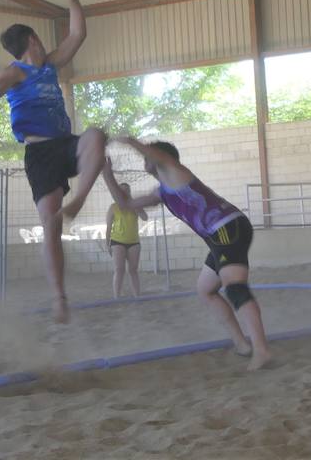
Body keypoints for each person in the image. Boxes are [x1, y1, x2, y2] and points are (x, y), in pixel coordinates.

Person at [0, 0, 106, 323]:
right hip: (39, 154)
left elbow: (77, 35)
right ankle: (59, 297)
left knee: (95, 136)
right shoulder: (14, 72)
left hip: (65, 144)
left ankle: (77, 200)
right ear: (33, 38)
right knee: (50, 225)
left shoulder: (49, 65)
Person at [102, 139, 272, 370]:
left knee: (235, 289)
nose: (145, 159)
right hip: (217, 237)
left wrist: (124, 139)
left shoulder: (174, 170)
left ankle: (261, 351)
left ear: (161, 157)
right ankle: (242, 343)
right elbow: (125, 203)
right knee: (206, 290)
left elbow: (153, 153)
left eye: (149, 155)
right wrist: (106, 172)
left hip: (227, 228)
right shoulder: (162, 191)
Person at [104, 183, 148, 298]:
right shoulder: (113, 207)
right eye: (122, 191)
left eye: (127, 191)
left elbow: (145, 217)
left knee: (133, 270)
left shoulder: (135, 206)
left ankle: (137, 296)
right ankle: (117, 296)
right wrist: (107, 244)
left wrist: (134, 204)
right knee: (119, 269)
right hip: (117, 241)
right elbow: (108, 227)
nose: (125, 193)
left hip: (133, 242)